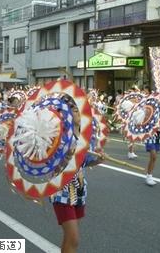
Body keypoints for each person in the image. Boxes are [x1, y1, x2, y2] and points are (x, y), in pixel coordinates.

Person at [49, 95, 108, 253]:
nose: (79, 114)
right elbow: (53, 168)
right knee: (74, 238)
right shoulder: (57, 137)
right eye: (74, 110)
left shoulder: (83, 136)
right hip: (61, 189)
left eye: (79, 110)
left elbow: (86, 161)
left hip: (79, 189)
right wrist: (67, 155)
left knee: (69, 239)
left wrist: (99, 159)